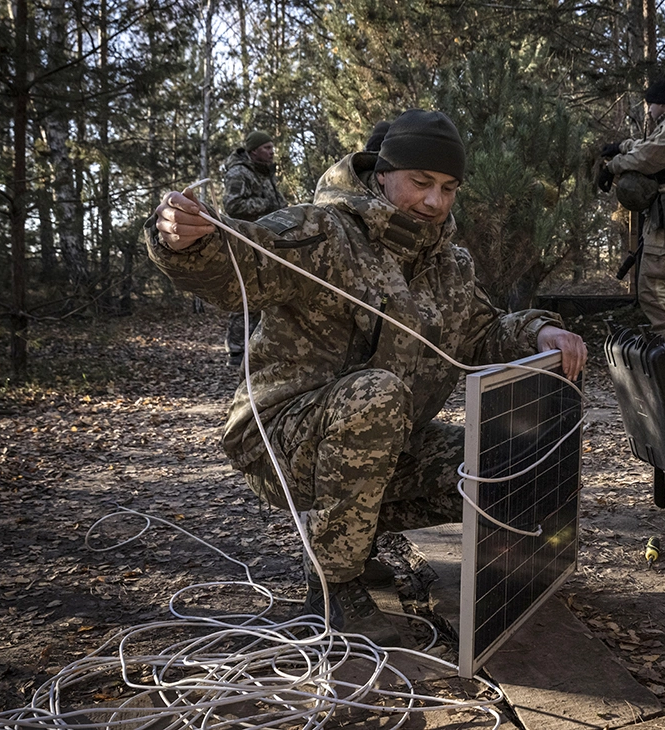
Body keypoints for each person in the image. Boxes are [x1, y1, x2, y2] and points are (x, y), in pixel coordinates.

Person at [146, 109, 588, 645]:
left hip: (378, 440)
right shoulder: (324, 232)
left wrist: (540, 332)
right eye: (420, 182)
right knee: (376, 394)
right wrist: (186, 241)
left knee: (498, 461)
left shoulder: (449, 264)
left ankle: (352, 537)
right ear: (382, 174)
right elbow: (242, 256)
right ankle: (334, 587)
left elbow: (483, 330)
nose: (435, 201)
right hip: (280, 441)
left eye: (449, 188)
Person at [599, 79, 665, 355]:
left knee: (652, 283)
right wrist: (621, 146)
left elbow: (647, 157)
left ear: (659, 104)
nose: (648, 111)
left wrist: (612, 167)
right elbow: (649, 145)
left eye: (650, 105)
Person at [222, 130, 288, 366]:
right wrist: (267, 204)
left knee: (266, 293)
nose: (271, 152)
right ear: (253, 151)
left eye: (272, 147)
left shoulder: (265, 173)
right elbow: (232, 205)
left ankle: (258, 348)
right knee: (246, 294)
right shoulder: (240, 172)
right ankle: (237, 349)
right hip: (245, 242)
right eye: (266, 148)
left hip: (266, 242)